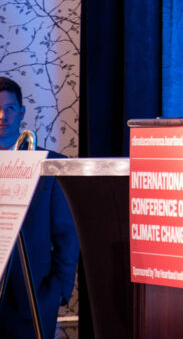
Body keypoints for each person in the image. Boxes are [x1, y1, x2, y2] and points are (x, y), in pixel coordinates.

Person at [0, 76, 79, 339]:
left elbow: (68, 236)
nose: (3, 116)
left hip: (34, 297)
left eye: (10, 108)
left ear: (22, 112)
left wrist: (57, 290)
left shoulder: (52, 165)